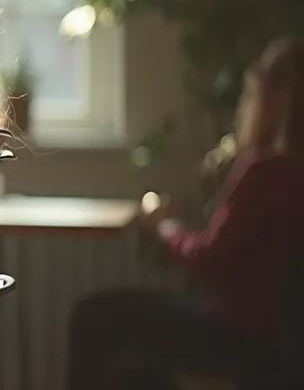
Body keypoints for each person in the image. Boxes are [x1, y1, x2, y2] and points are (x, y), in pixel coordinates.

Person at [66, 37, 304, 389]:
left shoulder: (265, 172)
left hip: (237, 335)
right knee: (132, 366)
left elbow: (209, 262)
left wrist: (165, 224)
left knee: (94, 317)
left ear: (273, 99)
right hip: (279, 345)